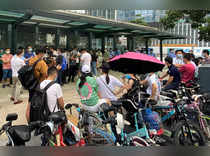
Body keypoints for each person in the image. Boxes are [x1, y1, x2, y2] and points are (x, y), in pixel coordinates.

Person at [26, 48, 48, 122]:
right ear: (41, 53)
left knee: (30, 103)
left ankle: (29, 120)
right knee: (39, 103)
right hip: (39, 85)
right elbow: (45, 74)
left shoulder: (31, 59)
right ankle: (37, 120)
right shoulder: (41, 62)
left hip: (31, 83)